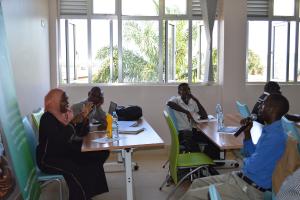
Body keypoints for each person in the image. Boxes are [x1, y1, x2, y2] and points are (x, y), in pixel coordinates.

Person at [180, 94, 289, 200]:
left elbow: (252, 166)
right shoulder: (269, 130)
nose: (259, 106)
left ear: (272, 109)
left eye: (263, 104)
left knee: (191, 196)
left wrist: (245, 160)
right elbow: (249, 153)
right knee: (197, 183)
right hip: (241, 178)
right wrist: (247, 133)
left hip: (249, 189)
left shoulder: (275, 137)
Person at [36, 88, 109, 200]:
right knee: (77, 168)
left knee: (93, 156)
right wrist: (74, 121)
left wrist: (84, 119)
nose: (67, 102)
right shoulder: (47, 118)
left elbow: (81, 132)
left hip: (63, 152)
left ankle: (87, 194)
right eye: (64, 100)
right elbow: (59, 139)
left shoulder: (62, 115)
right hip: (48, 159)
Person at [167, 83, 220, 159]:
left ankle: (210, 161)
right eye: (184, 89)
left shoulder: (192, 102)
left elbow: (204, 116)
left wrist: (197, 100)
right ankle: (199, 160)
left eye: (188, 89)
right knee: (189, 136)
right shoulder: (176, 99)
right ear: (179, 92)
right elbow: (169, 103)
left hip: (192, 130)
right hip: (183, 132)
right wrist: (186, 112)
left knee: (212, 138)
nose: (187, 91)